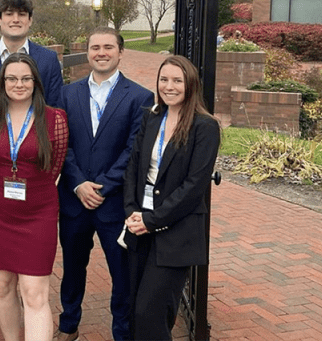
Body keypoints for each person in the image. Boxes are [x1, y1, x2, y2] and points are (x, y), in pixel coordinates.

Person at [0, 0, 64, 341]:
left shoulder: (48, 62)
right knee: (2, 286)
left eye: (22, 13)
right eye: (9, 13)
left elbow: (56, 157)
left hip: (36, 205)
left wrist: (30, 173)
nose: (18, 83)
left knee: (35, 293)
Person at [56, 27, 153, 341]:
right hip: (74, 200)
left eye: (108, 47)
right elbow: (61, 143)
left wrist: (102, 186)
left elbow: (134, 149)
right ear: (87, 53)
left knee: (121, 275)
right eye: (95, 47)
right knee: (72, 270)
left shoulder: (140, 97)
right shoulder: (67, 94)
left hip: (114, 204)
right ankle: (68, 325)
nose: (101, 52)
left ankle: (122, 332)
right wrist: (79, 183)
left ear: (120, 52)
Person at [123, 55, 220, 341]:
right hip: (139, 225)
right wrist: (131, 210)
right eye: (164, 79)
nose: (169, 86)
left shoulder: (205, 126)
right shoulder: (151, 116)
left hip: (176, 232)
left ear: (190, 85)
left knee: (149, 313)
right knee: (136, 312)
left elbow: (194, 187)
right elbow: (134, 166)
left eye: (177, 80)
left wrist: (152, 220)